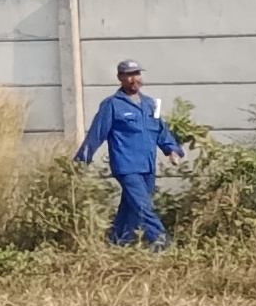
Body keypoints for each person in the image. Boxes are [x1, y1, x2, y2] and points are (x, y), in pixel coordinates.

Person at [73, 60, 185, 249]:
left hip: (148, 165)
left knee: (130, 208)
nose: (134, 79)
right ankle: (162, 243)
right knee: (143, 207)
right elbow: (97, 133)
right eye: (129, 75)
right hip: (126, 166)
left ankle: (117, 243)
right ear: (120, 78)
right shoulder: (112, 105)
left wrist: (172, 149)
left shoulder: (151, 104)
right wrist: (81, 161)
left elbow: (160, 131)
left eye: (137, 74)